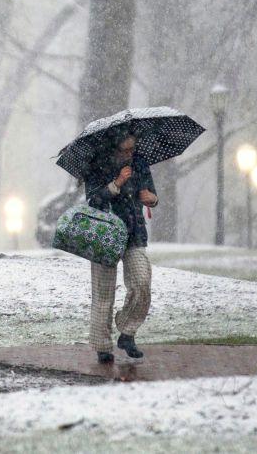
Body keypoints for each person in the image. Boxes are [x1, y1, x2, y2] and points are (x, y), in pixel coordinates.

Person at [83, 130, 158, 363]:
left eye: (132, 149)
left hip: (134, 231)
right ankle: (102, 346)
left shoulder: (140, 163)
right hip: (104, 234)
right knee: (103, 293)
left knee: (142, 282)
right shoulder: (96, 165)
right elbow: (94, 200)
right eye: (125, 150)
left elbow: (152, 195)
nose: (129, 154)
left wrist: (151, 198)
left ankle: (127, 331)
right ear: (114, 147)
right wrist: (117, 183)